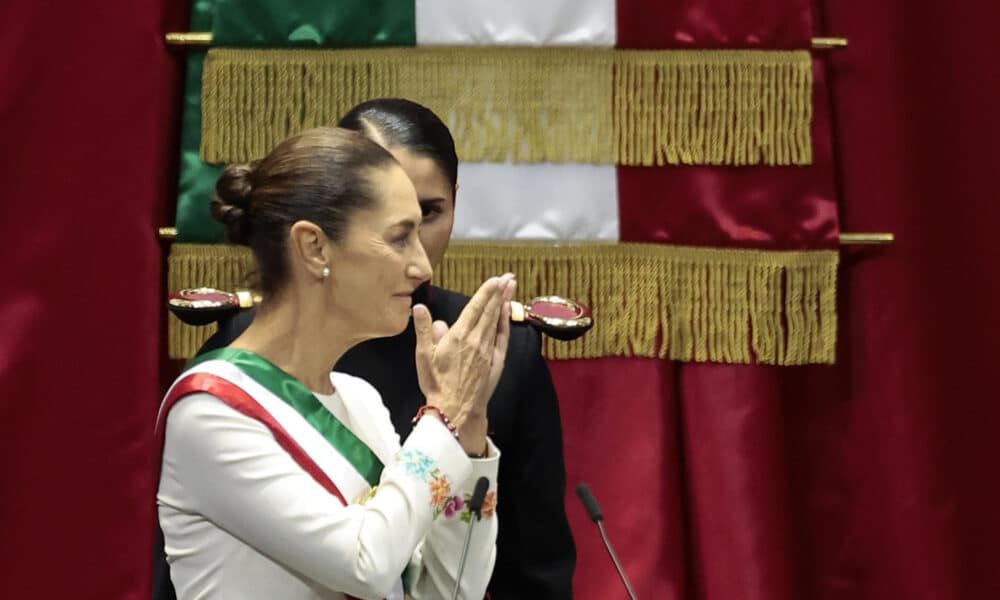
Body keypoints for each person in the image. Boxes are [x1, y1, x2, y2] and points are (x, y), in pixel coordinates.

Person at [154, 98, 576, 600]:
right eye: (399, 239)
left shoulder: (359, 400)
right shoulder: (212, 411)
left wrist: (468, 434)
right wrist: (442, 417)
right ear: (315, 247)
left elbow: (446, 591)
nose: (423, 267)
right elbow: (366, 563)